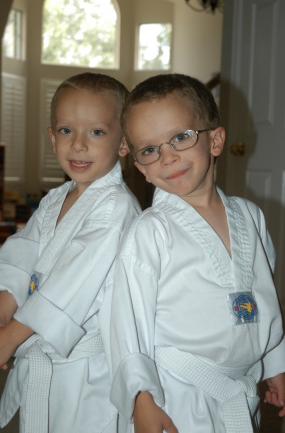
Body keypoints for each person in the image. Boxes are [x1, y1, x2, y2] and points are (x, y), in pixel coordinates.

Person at [109, 73, 285, 433]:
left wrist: (274, 362)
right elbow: (126, 322)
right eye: (150, 149)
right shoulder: (150, 231)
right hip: (177, 394)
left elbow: (264, 298)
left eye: (180, 137)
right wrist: (141, 398)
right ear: (141, 167)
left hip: (240, 388)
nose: (168, 157)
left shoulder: (250, 215)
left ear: (216, 140)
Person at [0, 72, 141, 433]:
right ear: (52, 138)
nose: (79, 145)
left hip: (85, 371)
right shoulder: (57, 198)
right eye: (67, 130)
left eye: (97, 132)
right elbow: (21, 256)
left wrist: (8, 338)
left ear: (123, 144)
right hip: (38, 346)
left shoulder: (117, 207)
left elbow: (73, 279)